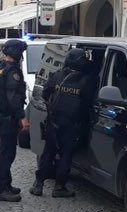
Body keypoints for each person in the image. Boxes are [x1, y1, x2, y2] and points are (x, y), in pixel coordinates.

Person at [30, 48, 98, 198]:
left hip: (53, 120)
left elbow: (45, 93)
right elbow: (88, 103)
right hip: (71, 123)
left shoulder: (56, 75)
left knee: (48, 152)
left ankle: (38, 184)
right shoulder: (87, 81)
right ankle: (59, 187)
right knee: (66, 155)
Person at [0, 39, 29, 202]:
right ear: (17, 53)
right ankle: (1, 189)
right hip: (8, 118)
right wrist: (22, 117)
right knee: (7, 153)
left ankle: (6, 183)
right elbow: (13, 98)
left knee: (6, 151)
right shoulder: (12, 72)